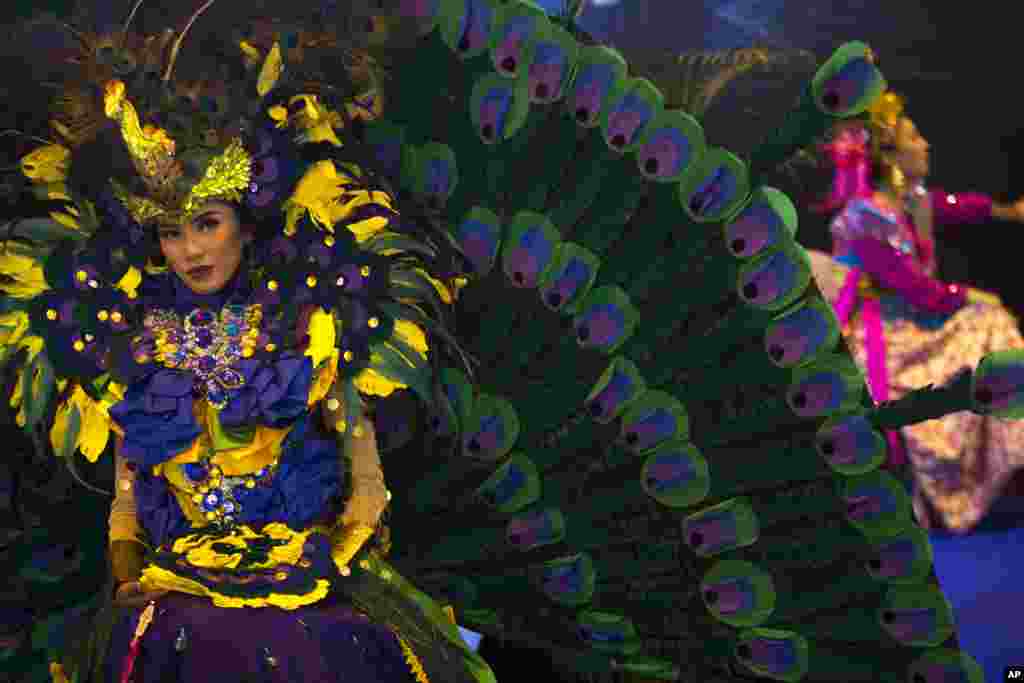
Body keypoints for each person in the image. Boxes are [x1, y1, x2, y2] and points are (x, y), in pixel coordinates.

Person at [814, 90, 1024, 533]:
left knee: (992, 325)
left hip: (907, 319)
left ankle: (999, 446)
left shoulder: (907, 203)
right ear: (890, 154)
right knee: (988, 323)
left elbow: (955, 205)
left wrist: (1006, 211)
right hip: (882, 331)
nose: (926, 144)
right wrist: (970, 296)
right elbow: (918, 292)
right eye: (916, 136)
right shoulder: (865, 217)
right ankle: (989, 450)